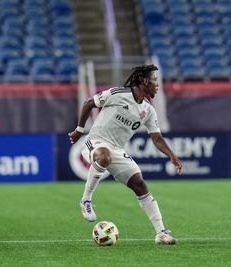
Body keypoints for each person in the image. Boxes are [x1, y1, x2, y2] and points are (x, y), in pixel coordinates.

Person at [68, 64, 183, 245]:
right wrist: (78, 130)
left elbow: (157, 138)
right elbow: (89, 102)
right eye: (154, 81)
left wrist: (172, 156)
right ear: (145, 81)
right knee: (104, 157)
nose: (157, 85)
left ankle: (161, 232)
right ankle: (86, 200)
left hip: (117, 149)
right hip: (96, 141)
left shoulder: (148, 110)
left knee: (140, 185)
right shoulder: (118, 94)